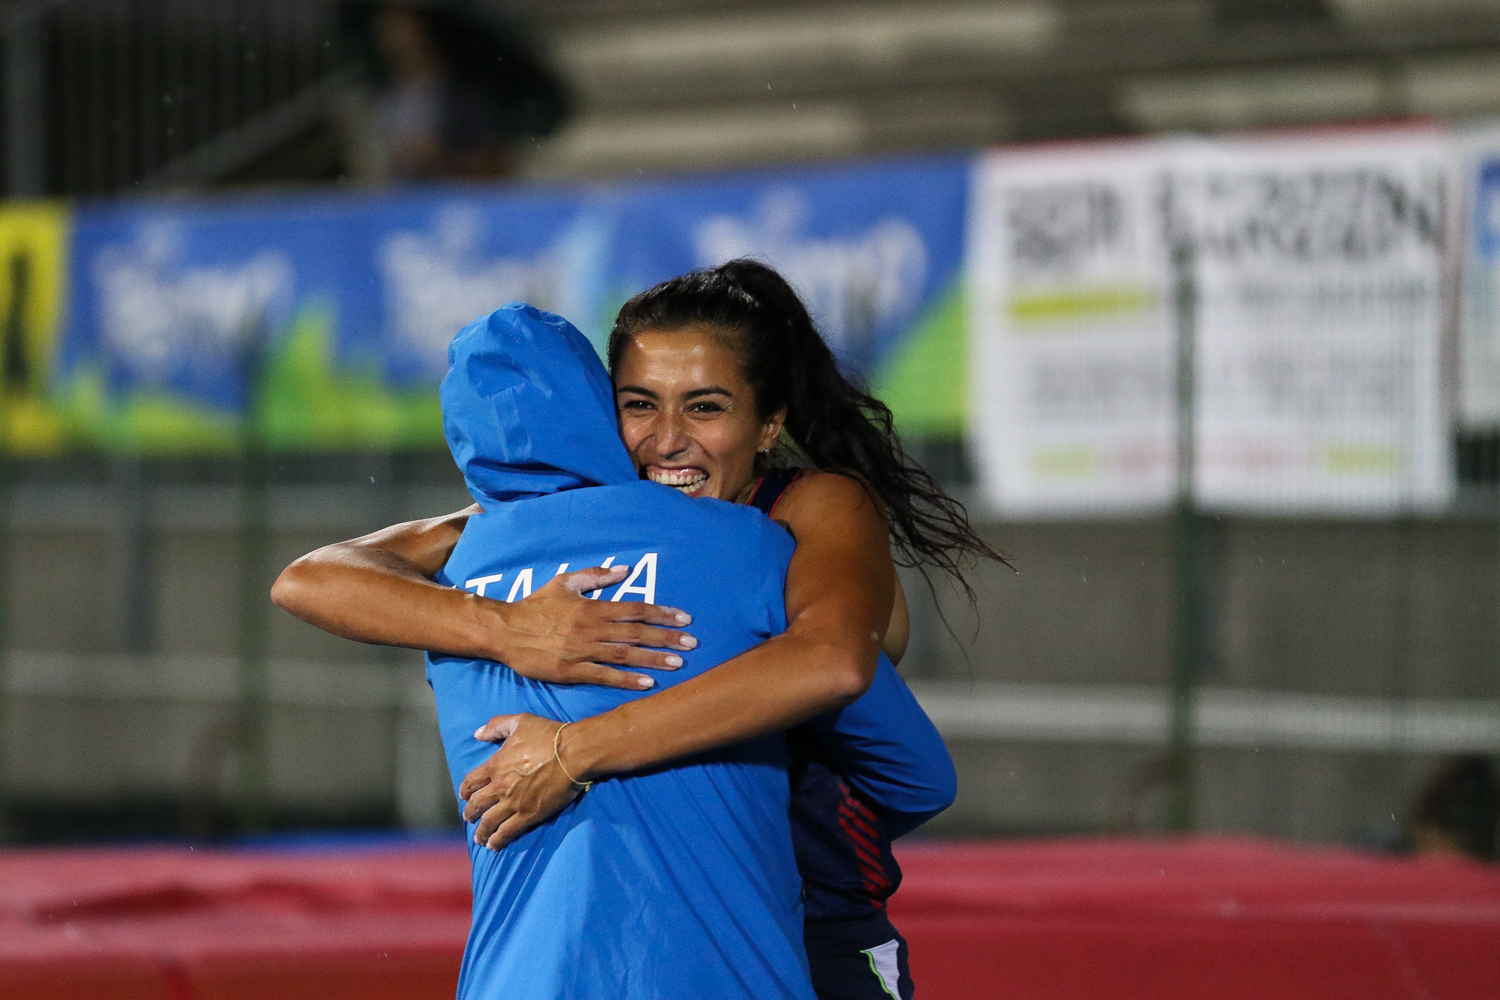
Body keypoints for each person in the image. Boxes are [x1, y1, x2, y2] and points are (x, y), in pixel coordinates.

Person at [275, 260, 1003, 998]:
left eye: (705, 407)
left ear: (768, 424)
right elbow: (310, 577)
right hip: (671, 928)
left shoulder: (810, 510)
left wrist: (572, 752)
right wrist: (505, 627)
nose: (667, 440)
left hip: (819, 927)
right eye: (639, 405)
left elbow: (832, 662)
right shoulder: (561, 522)